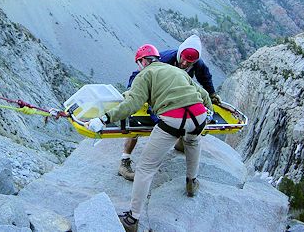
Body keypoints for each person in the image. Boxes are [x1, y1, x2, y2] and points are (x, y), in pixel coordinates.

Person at [86, 44, 212, 232]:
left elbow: (133, 104)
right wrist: (208, 112)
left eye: (139, 63)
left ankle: (132, 219)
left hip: (173, 120)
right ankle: (192, 183)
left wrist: (105, 119)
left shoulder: (144, 74)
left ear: (143, 61)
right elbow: (203, 94)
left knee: (146, 168)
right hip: (199, 115)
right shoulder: (175, 70)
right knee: (192, 141)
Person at [118, 34, 221, 181]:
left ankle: (180, 142)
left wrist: (212, 94)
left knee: (181, 121)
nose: (185, 64)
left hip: (178, 101)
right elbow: (138, 74)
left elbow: (205, 77)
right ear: (179, 54)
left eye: (189, 62)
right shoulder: (164, 58)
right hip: (156, 98)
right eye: (183, 59)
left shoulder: (197, 63)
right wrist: (131, 93)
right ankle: (125, 160)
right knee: (136, 120)